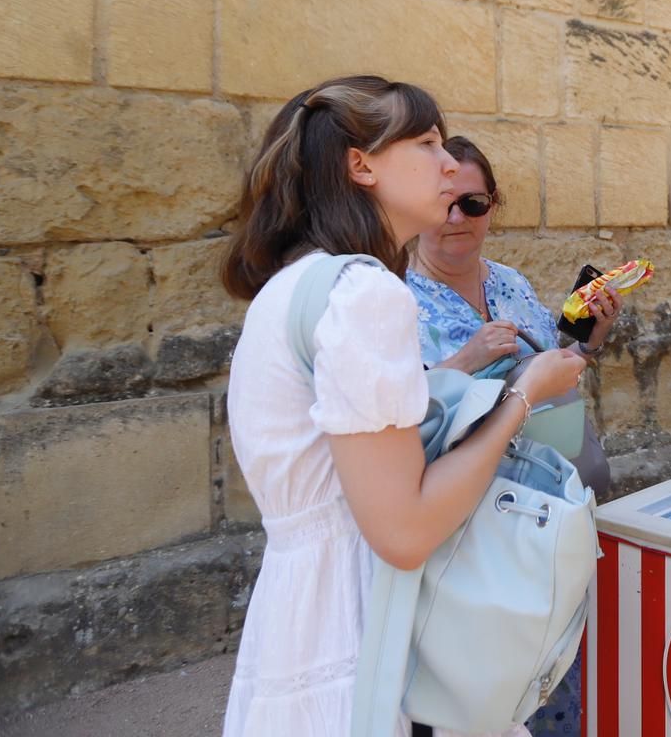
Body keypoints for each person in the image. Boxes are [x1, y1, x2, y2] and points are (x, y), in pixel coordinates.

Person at [219, 76, 587, 737]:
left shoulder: (295, 284)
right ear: (360, 166)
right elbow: (405, 530)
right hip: (365, 627)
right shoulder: (365, 293)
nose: (449, 164)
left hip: (299, 618)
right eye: (424, 142)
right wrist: (523, 396)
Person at [405, 135, 621, 737]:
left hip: (543, 507)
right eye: (444, 203)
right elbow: (392, 415)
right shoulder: (391, 297)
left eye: (473, 205)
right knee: (476, 679)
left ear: (493, 206)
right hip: (465, 524)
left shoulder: (510, 282)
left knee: (547, 662)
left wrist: (587, 340)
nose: (456, 219)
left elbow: (548, 368)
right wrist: (469, 359)